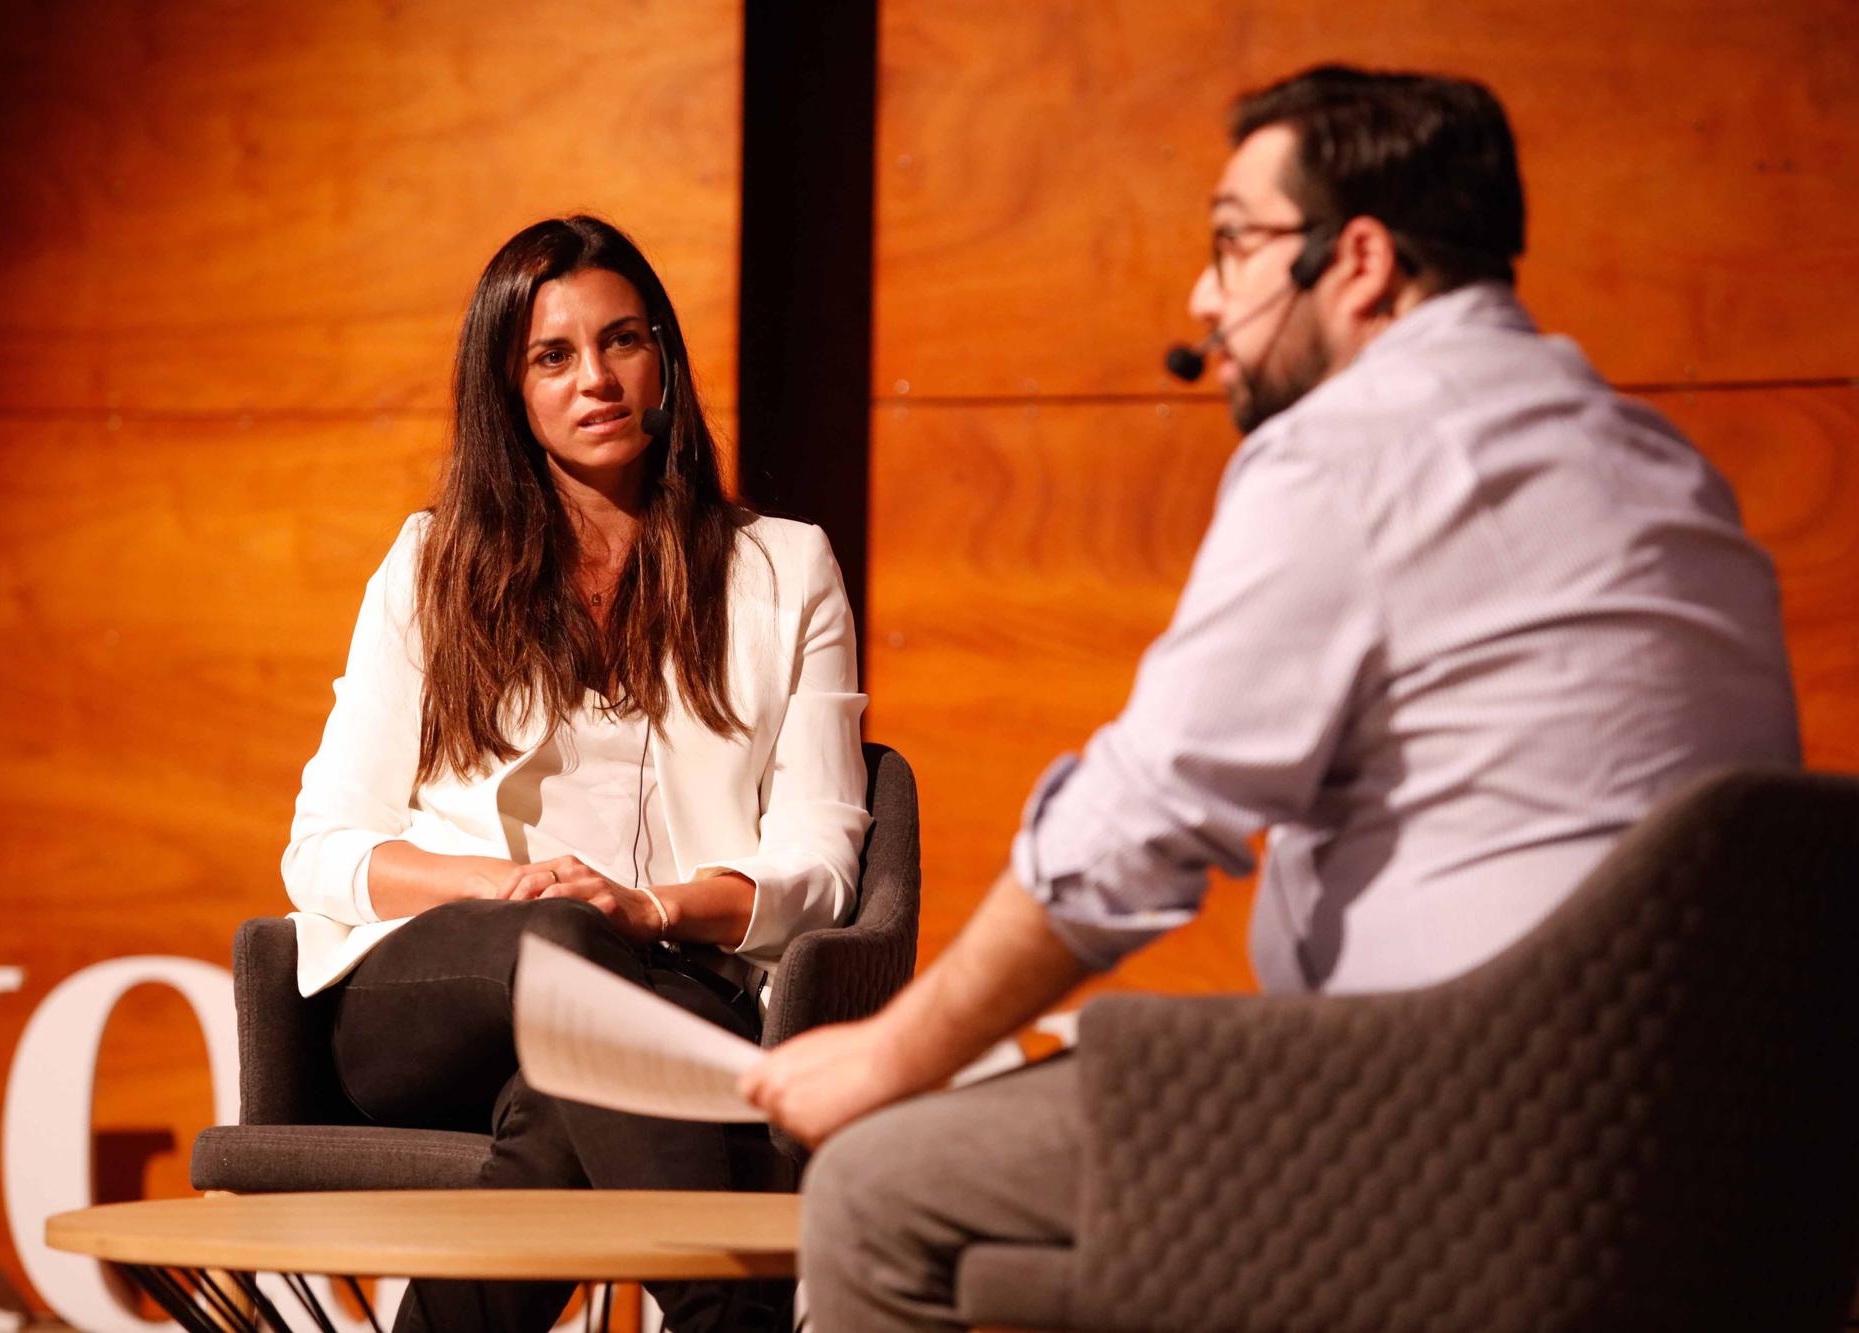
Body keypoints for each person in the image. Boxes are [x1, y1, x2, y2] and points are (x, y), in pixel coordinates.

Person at [740, 65, 1800, 1331]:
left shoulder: (1356, 448)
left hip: (1461, 1139)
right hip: (1726, 1159)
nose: (1204, 294)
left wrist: (886, 1055)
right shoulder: (1662, 464)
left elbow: (1130, 833)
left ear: (1354, 260)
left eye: (1232, 243)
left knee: (879, 1183)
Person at [282, 215, 869, 1333]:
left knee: (562, 1096)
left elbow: (820, 865)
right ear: (508, 388)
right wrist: (510, 891)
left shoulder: (784, 569)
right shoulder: (430, 565)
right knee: (558, 945)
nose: (595, 378)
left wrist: (644, 907)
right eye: (551, 356)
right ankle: (734, 1304)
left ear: (664, 360)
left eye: (623, 340)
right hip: (434, 1000)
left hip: (663, 992)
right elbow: (324, 850)